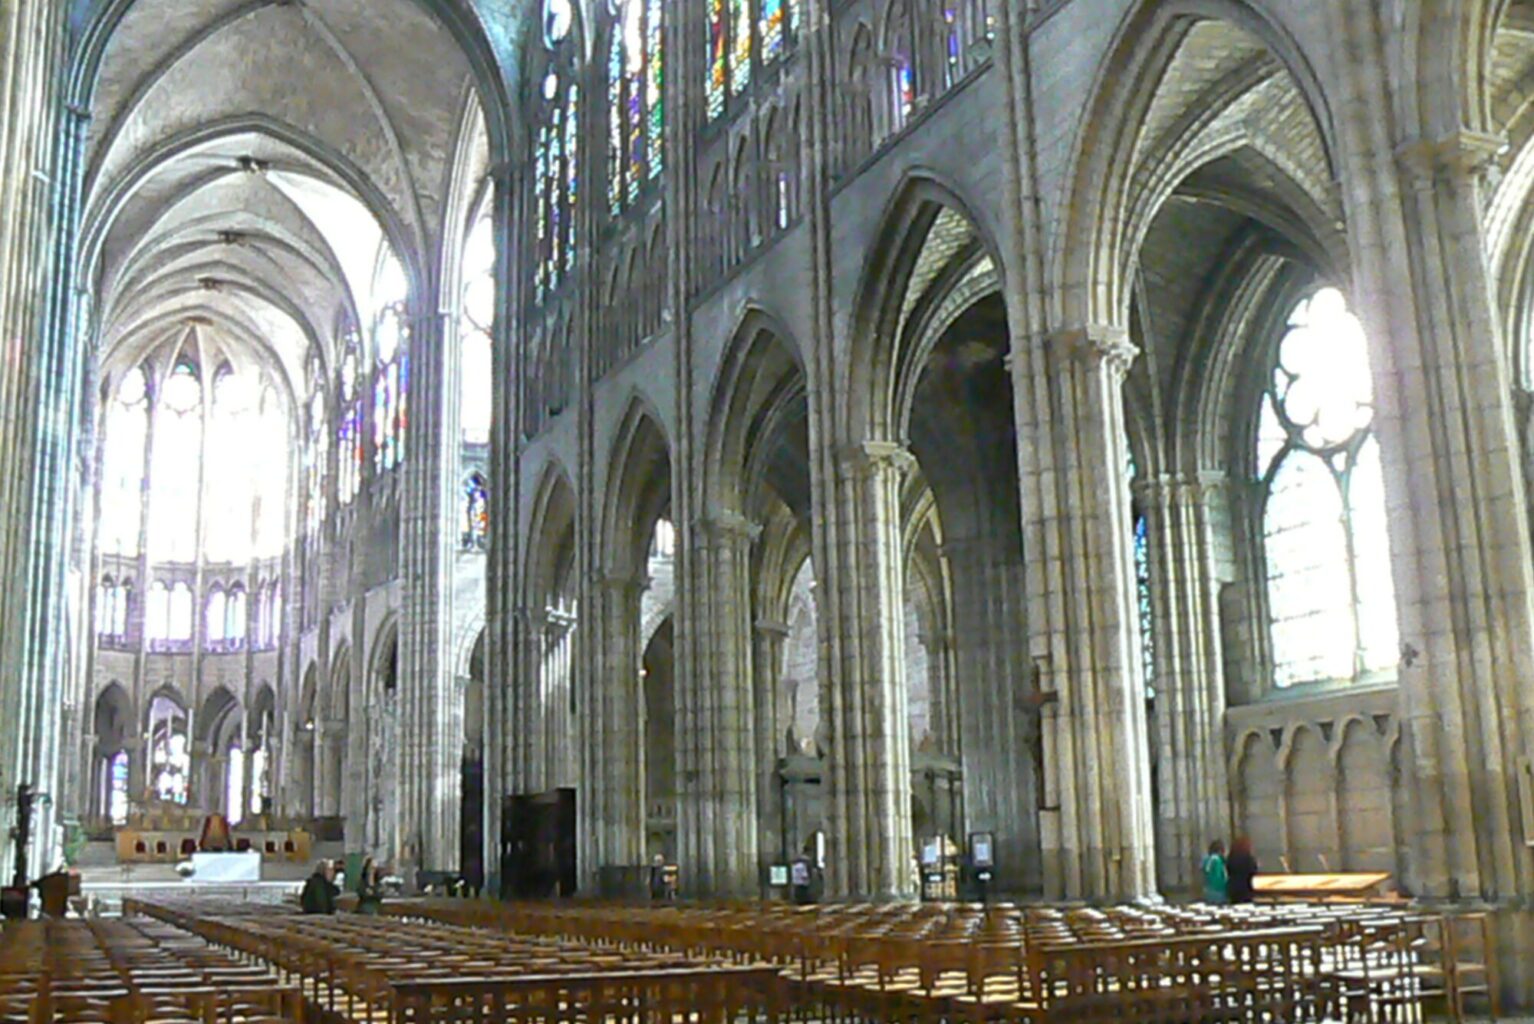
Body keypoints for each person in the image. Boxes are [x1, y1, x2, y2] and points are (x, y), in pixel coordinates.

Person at [1225, 835, 1259, 904]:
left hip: (1233, 888)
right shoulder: (1248, 858)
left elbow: (1228, 870)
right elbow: (1253, 871)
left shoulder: (1231, 857)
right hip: (1246, 887)